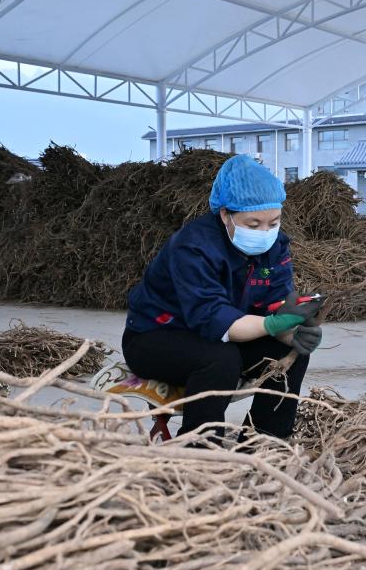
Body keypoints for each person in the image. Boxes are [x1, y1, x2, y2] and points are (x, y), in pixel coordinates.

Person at [123, 155, 322, 441]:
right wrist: (271, 325)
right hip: (156, 337)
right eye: (253, 224)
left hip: (227, 333)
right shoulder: (192, 247)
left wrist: (291, 333)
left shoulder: (275, 246)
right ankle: (202, 445)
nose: (265, 233)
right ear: (226, 214)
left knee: (290, 353)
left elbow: (275, 303)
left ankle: (264, 442)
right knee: (220, 359)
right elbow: (214, 319)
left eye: (273, 222)